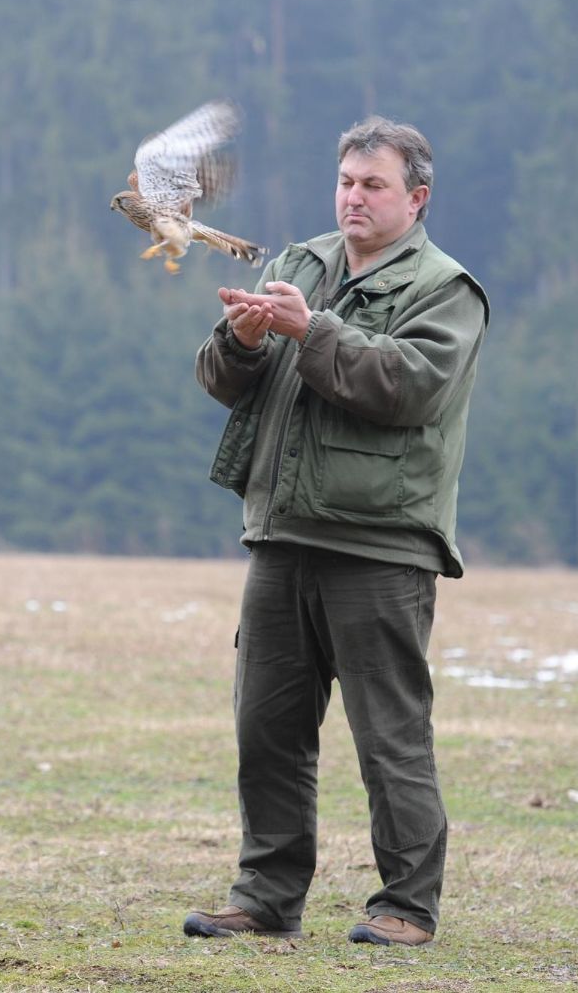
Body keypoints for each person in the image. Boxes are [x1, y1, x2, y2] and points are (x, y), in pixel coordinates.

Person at [182, 116, 488, 947]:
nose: (355, 197)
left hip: (381, 545)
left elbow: (406, 386)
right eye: (347, 181)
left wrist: (307, 330)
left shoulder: (444, 290)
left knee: (389, 736)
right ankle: (266, 899)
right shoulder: (297, 265)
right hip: (281, 535)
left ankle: (406, 908)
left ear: (416, 198)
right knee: (266, 728)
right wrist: (242, 341)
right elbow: (221, 382)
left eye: (375, 184)